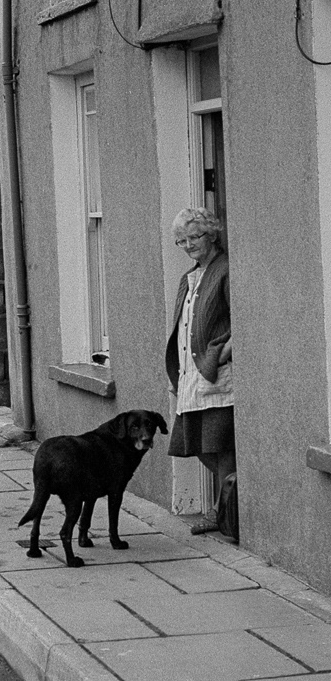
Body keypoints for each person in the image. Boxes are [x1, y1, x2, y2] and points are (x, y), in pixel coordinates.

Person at [164, 207, 235, 537]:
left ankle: (224, 512)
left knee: (220, 445)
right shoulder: (190, 277)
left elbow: (241, 321)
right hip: (192, 375)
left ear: (212, 235)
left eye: (195, 237)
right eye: (182, 240)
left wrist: (221, 353)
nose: (189, 244)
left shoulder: (225, 270)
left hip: (218, 376)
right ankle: (230, 504)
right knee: (196, 442)